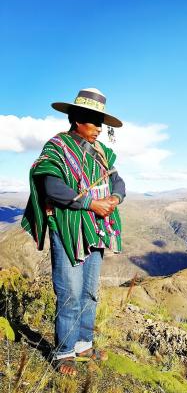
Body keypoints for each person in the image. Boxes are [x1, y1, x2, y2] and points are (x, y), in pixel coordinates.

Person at [21, 87, 126, 376]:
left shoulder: (102, 154)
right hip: (68, 230)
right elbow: (52, 188)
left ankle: (83, 344)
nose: (99, 129)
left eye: (101, 123)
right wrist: (93, 204)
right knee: (69, 293)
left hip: (95, 231)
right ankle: (63, 352)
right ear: (77, 118)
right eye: (94, 122)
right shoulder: (56, 147)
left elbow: (119, 184)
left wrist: (113, 201)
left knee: (90, 291)